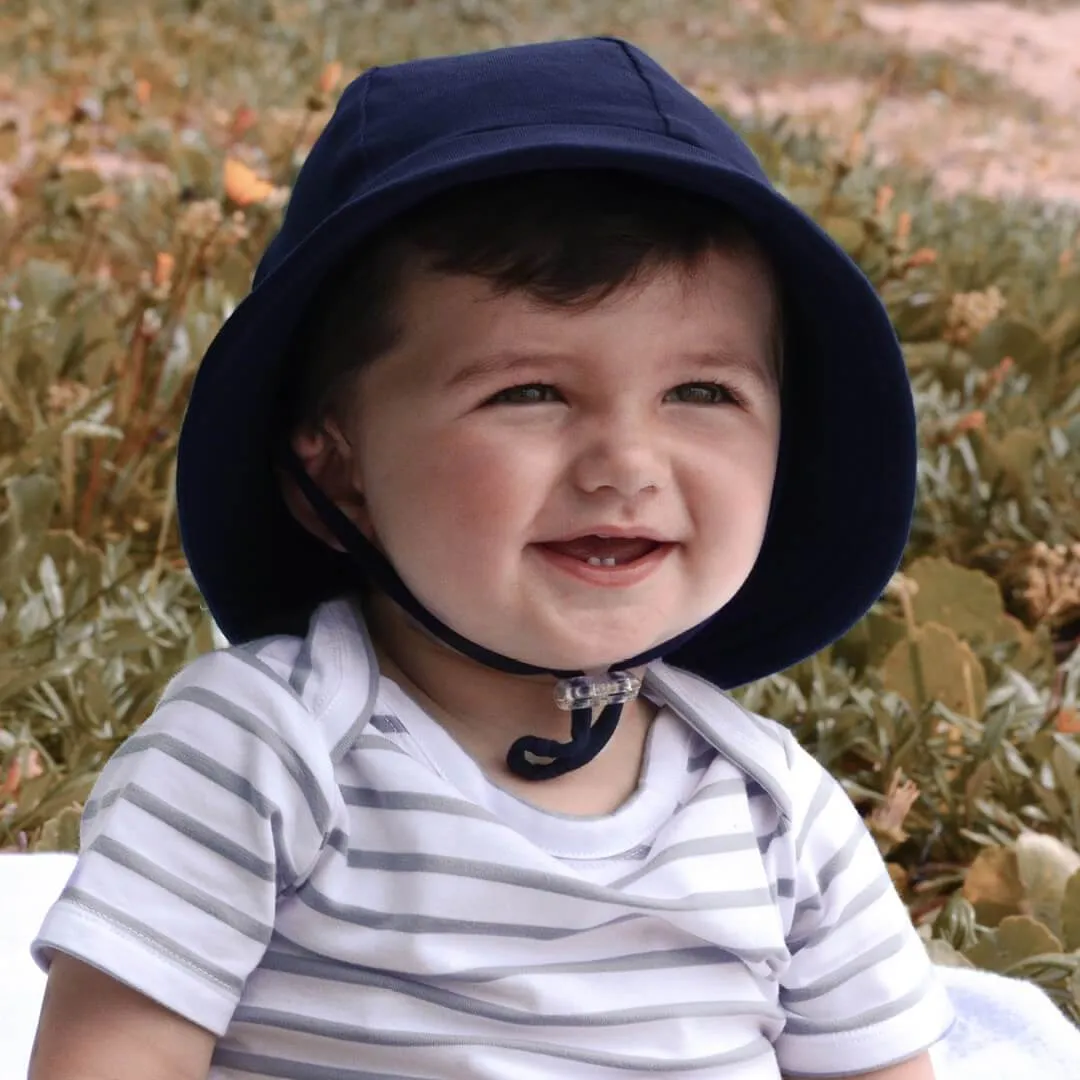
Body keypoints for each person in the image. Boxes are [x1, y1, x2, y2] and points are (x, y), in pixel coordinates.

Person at [27, 37, 954, 1080]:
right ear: (338, 470)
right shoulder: (265, 750)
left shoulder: (774, 814)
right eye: (529, 393)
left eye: (703, 393)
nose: (625, 465)